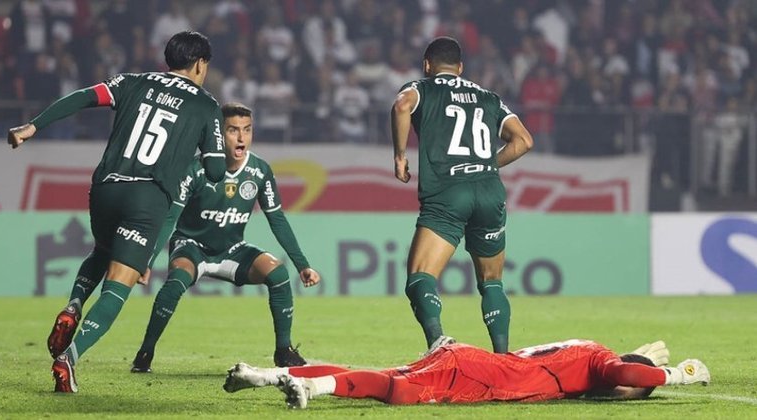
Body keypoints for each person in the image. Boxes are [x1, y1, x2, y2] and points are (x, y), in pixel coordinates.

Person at [7, 30, 227, 393]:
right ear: (201, 64)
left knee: (103, 250)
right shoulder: (206, 105)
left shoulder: (131, 81)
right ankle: (68, 359)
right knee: (118, 285)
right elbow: (217, 171)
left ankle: (73, 305)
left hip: (105, 188)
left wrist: (33, 126)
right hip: (147, 198)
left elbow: (83, 96)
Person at [130, 103, 321, 373]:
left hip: (232, 250)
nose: (241, 137)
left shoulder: (259, 171)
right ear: (219, 135)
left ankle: (284, 351)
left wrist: (302, 265)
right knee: (177, 280)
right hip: (192, 246)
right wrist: (147, 260)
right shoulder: (195, 169)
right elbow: (170, 218)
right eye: (233, 130)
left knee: (278, 274)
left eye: (247, 130)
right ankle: (145, 353)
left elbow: (277, 219)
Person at [390, 37, 534, 354]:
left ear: (427, 65)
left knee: (420, 275)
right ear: (460, 68)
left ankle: (437, 343)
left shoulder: (422, 88)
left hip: (448, 191)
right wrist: (486, 165)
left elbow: (401, 106)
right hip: (489, 192)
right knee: (492, 281)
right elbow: (524, 141)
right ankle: (503, 357)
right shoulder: (488, 97)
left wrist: (400, 156)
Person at [223, 338, 710, 409]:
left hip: (469, 360)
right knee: (399, 392)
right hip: (481, 375)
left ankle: (263, 374)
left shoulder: (586, 352)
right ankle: (311, 385)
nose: (627, 394)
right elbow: (629, 374)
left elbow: (626, 374)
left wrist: (639, 363)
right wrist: (677, 375)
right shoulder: (602, 363)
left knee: (373, 373)